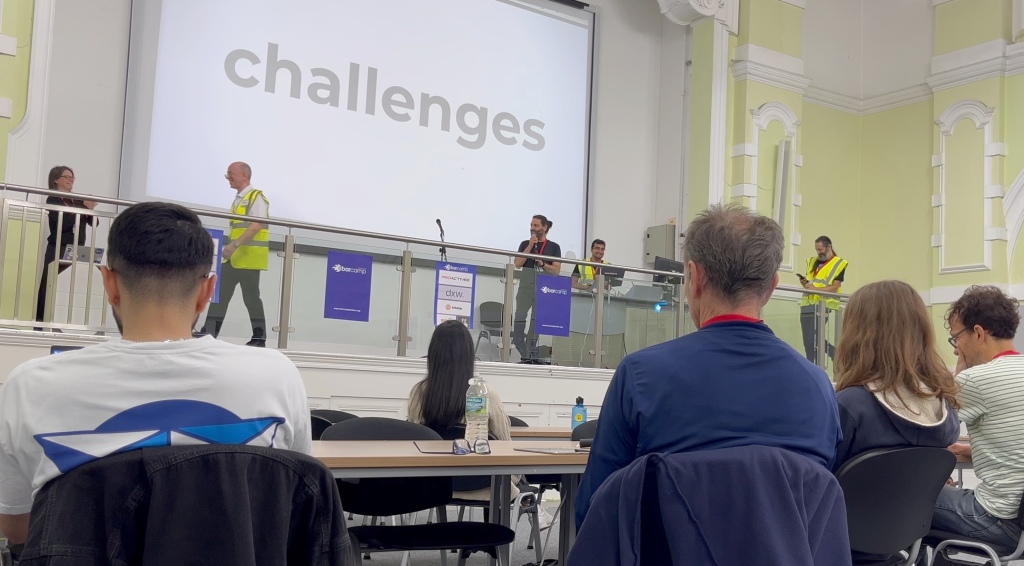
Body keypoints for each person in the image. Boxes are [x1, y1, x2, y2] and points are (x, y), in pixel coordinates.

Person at [0, 202, 312, 546]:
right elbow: (293, 505)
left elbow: (19, 529)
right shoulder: (276, 376)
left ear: (109, 283)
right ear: (208, 291)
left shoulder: (32, 385)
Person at [575, 203, 842, 529]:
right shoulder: (818, 387)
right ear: (771, 288)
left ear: (695, 277)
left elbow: (594, 512)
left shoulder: (640, 375)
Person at [929, 286, 1024, 553]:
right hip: (1020, 520)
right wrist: (974, 449)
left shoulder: (975, 380)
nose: (956, 348)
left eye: (955, 338)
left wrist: (958, 375)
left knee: (902, 497)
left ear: (979, 333)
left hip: (997, 519)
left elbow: (934, 434)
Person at [830, 280, 960, 473]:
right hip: (921, 504)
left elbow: (817, 479)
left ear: (855, 334)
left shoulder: (848, 406)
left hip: (852, 503)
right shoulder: (944, 405)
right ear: (921, 332)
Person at [407, 320, 520, 501]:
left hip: (431, 482)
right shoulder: (485, 393)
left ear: (433, 355)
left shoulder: (419, 393)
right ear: (468, 355)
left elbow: (412, 440)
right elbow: (504, 442)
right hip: (485, 483)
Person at [198, 162, 270, 347]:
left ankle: (259, 337)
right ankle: (209, 332)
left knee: (251, 298)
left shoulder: (256, 197)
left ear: (244, 175)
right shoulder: (238, 199)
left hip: (248, 259)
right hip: (234, 258)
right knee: (220, 295)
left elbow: (257, 224)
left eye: (231, 174)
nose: (228, 178)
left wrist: (235, 244)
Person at [35, 165, 97, 325]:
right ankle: (42, 324)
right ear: (56, 180)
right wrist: (84, 207)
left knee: (72, 285)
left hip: (77, 247)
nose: (71, 180)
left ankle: (67, 322)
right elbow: (65, 223)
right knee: (50, 284)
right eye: (67, 177)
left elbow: (94, 223)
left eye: (72, 177)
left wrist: (89, 209)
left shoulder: (76, 200)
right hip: (59, 247)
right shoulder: (53, 199)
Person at [512, 214, 562, 360]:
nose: (532, 228)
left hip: (543, 288)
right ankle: (520, 344)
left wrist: (542, 263)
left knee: (536, 319)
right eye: (531, 225)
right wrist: (529, 245)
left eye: (536, 226)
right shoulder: (524, 244)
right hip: (525, 286)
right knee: (520, 316)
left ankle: (530, 354)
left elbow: (556, 271)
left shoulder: (554, 247)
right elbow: (517, 263)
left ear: (544, 227)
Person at [798, 236, 848, 363]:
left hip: (823, 305)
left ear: (829, 247)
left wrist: (815, 289)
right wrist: (805, 284)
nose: (818, 252)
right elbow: (812, 283)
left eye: (820, 249)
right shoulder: (812, 262)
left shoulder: (839, 263)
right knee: (807, 340)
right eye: (817, 250)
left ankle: (833, 354)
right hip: (807, 304)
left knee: (814, 337)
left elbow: (835, 288)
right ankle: (814, 362)